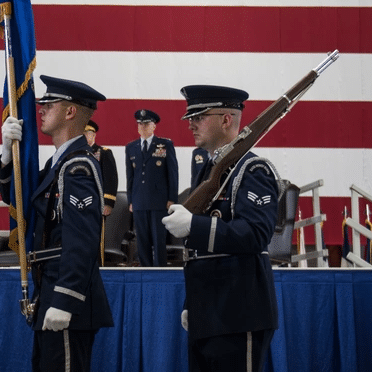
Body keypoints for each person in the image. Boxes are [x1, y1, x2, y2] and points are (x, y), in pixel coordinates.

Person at [0, 75, 113, 372]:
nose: (41, 110)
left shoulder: (78, 167)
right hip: (49, 289)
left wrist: (64, 299)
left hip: (66, 296)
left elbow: (81, 242)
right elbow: (21, 199)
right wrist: (7, 155)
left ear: (70, 112)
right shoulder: (57, 164)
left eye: (49, 104)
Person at [162, 85, 280, 372]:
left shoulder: (253, 169)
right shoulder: (210, 171)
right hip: (208, 311)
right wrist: (194, 302)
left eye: (200, 116)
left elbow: (255, 234)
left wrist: (194, 224)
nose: (191, 123)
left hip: (239, 313)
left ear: (227, 119)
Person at [125, 109, 178, 267]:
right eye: (140, 124)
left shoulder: (165, 145)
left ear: (154, 126)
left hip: (159, 201)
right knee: (142, 240)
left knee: (158, 240)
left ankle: (160, 271)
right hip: (139, 200)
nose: (142, 127)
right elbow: (130, 177)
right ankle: (146, 270)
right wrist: (131, 200)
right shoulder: (131, 147)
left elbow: (172, 174)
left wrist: (172, 199)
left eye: (146, 124)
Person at [83, 120, 118, 216]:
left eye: (87, 133)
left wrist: (108, 203)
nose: (85, 136)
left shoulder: (104, 153)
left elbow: (110, 179)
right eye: (83, 134)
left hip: (97, 202)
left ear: (94, 135)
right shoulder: (76, 154)